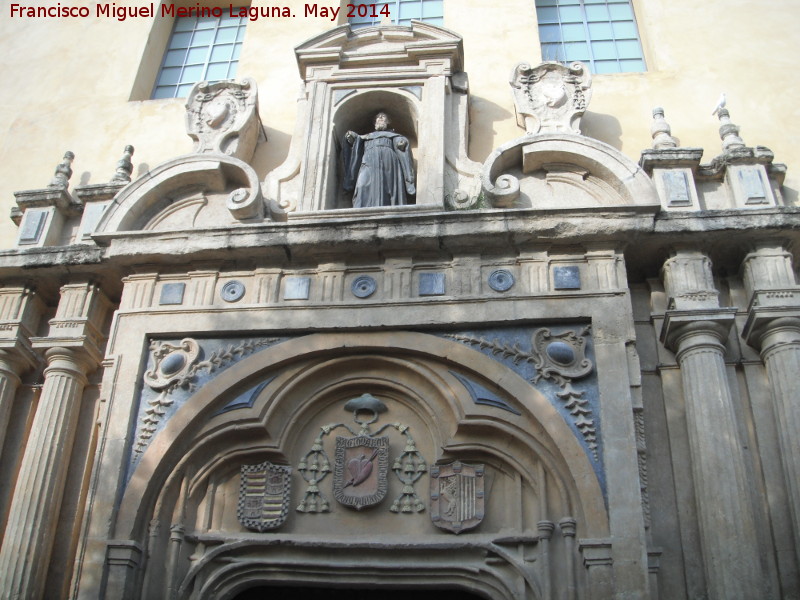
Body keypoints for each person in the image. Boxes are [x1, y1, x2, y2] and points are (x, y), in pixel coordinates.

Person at [342, 112, 416, 208]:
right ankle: (361, 209)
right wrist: (352, 137)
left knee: (389, 186)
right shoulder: (366, 136)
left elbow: (400, 141)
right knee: (362, 184)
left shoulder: (392, 135)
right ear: (375, 122)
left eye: (383, 116)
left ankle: (390, 209)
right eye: (378, 117)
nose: (380, 117)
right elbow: (357, 142)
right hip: (368, 162)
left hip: (389, 162)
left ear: (388, 121)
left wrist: (401, 143)